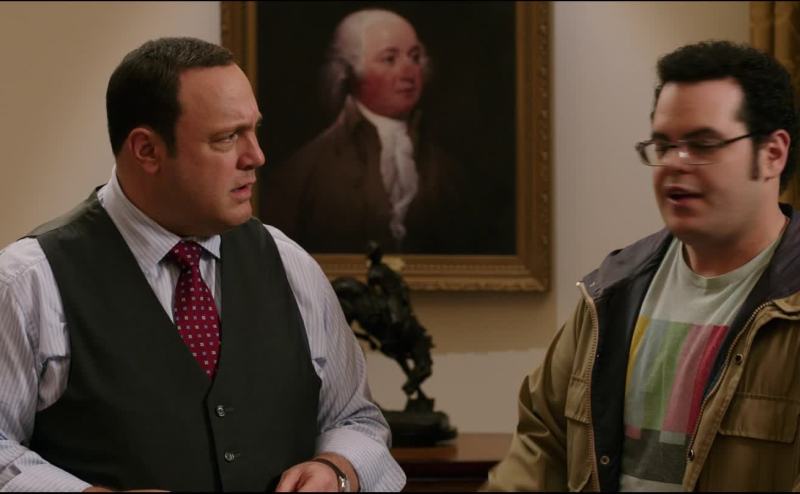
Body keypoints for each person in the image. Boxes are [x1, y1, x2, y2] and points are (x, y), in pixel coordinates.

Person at [0, 37, 405, 492]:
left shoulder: (291, 266)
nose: (256, 157)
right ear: (147, 150)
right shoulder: (28, 281)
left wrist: (338, 468)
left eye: (254, 130)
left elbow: (356, 419)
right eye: (227, 137)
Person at [486, 40, 800, 491]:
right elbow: (542, 441)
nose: (674, 163)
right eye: (664, 144)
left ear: (772, 154)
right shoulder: (612, 291)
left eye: (702, 144)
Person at [261, 8, 472, 254]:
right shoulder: (306, 171)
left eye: (414, 57)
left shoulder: (447, 170)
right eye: (389, 59)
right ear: (351, 71)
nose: (409, 72)